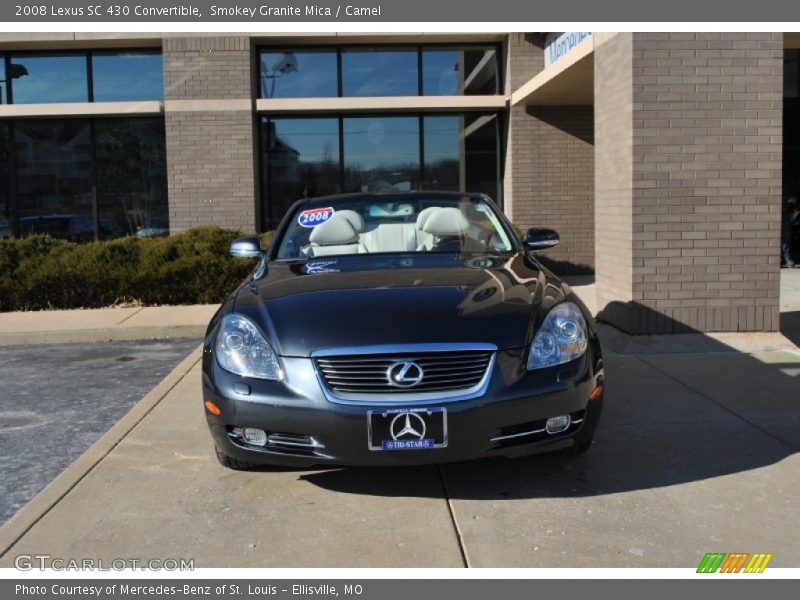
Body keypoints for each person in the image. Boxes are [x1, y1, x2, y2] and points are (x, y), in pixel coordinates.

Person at [783, 195, 799, 268]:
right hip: (782, 216)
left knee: (786, 240)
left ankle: (787, 259)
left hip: (787, 218)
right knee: (784, 241)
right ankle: (785, 259)